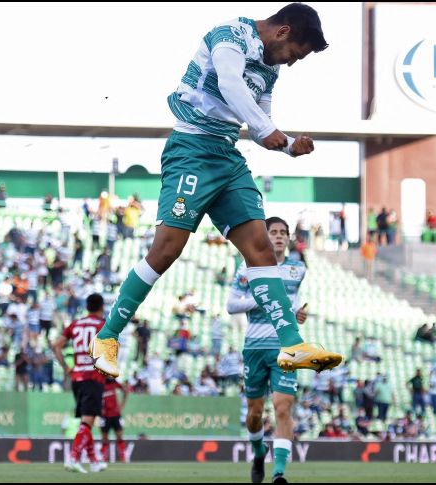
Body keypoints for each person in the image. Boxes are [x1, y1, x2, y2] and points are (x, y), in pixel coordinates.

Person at [90, 4, 341, 383]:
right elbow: (230, 85)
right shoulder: (229, 35)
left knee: (259, 248)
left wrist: (290, 145)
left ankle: (291, 342)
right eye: (295, 55)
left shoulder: (269, 67)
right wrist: (266, 129)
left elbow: (262, 119)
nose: (291, 64)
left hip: (226, 157)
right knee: (166, 250)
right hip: (191, 151)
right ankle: (107, 337)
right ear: (283, 32)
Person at [226, 217, 309, 484]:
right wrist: (262, 298)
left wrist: (296, 313)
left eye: (283, 232)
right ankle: (259, 451)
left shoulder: (298, 268)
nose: (279, 236)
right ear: (264, 236)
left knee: (282, 408)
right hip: (255, 347)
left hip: (287, 347)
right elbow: (231, 305)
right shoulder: (249, 266)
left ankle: (279, 472)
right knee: (255, 414)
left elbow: (291, 303)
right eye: (273, 232)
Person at [52, 294, 108, 474]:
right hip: (94, 377)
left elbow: (56, 345)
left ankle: (94, 460)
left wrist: (66, 367)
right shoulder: (103, 325)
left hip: (77, 378)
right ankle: (73, 458)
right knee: (88, 421)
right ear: (101, 306)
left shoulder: (76, 324)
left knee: (86, 419)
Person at [100, 378, 129, 463]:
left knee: (119, 436)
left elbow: (125, 391)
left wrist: (122, 405)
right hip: (105, 416)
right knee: (104, 438)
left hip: (115, 415)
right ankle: (104, 457)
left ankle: (123, 456)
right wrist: (100, 409)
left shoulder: (114, 382)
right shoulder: (100, 383)